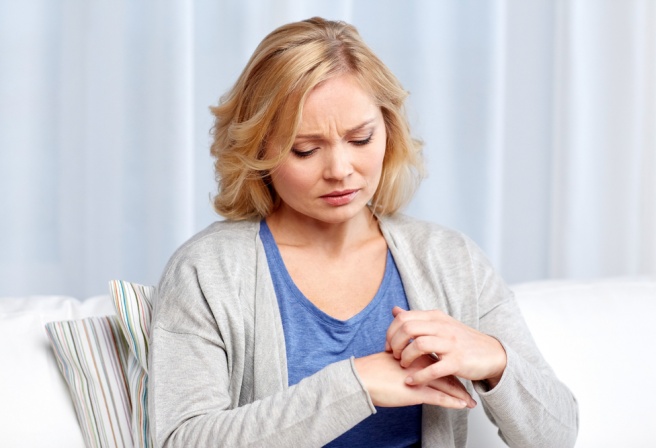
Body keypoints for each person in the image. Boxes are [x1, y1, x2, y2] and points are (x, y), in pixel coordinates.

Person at [148, 17, 578, 448]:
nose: (340, 170)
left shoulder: (450, 260)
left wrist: (495, 359)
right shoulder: (208, 272)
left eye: (361, 138)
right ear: (260, 149)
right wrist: (356, 387)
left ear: (388, 130)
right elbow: (182, 439)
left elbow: (557, 436)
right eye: (306, 149)